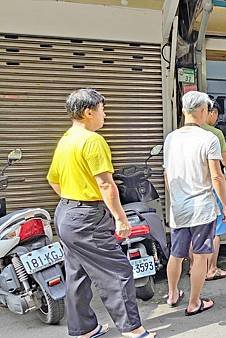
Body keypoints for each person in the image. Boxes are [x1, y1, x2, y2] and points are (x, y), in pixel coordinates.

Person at [47, 89, 154, 338]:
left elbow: (53, 180)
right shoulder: (92, 140)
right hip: (87, 217)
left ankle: (83, 329)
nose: (105, 115)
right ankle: (132, 329)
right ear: (88, 112)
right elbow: (106, 184)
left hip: (66, 212)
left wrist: (73, 197)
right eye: (103, 109)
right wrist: (120, 218)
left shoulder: (66, 140)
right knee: (119, 271)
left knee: (77, 273)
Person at [163, 91, 226, 315]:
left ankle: (172, 294)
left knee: (177, 253)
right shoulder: (209, 138)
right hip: (202, 207)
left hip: (179, 207)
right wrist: (225, 205)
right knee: (200, 255)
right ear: (203, 111)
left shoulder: (171, 138)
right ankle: (194, 303)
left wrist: (174, 200)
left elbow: (167, 175)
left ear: (184, 111)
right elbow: (217, 176)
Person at [202, 101, 226, 280]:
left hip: (192, 189)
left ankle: (195, 267)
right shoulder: (215, 133)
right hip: (212, 188)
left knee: (195, 230)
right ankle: (211, 268)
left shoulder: (180, 134)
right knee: (215, 231)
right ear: (210, 112)